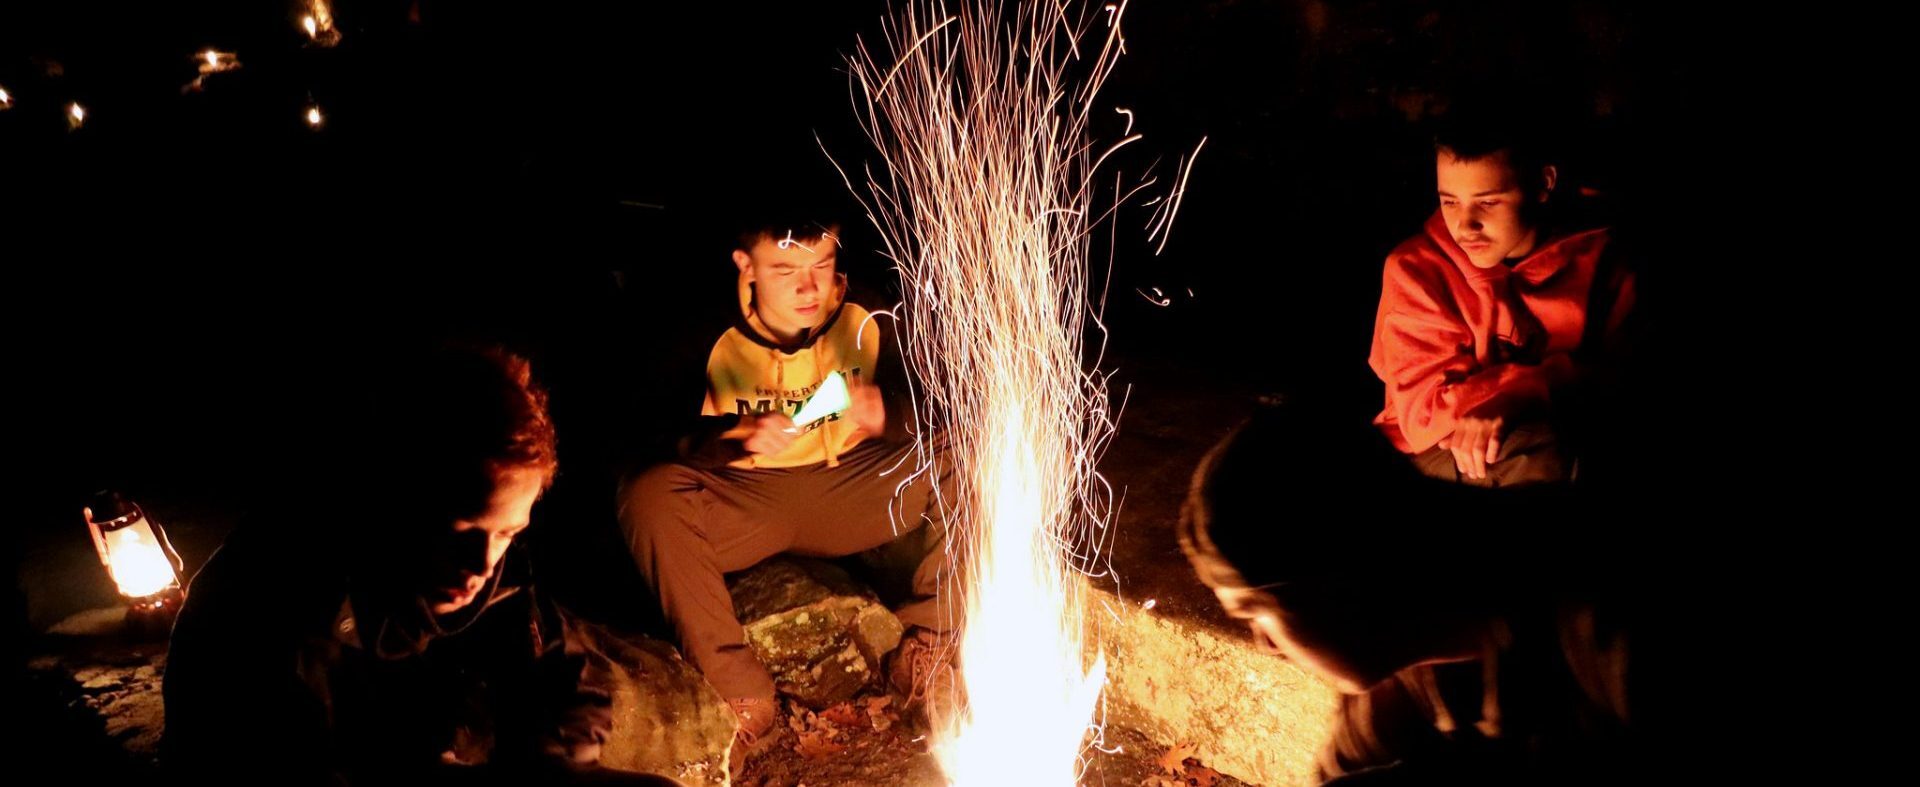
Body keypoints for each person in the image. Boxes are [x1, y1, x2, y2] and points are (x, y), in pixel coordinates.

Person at [164, 345, 679, 785]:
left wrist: (551, 760)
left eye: (507, 532)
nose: (481, 564)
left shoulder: (493, 571)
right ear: (397, 498)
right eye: (461, 530)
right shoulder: (268, 610)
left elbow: (558, 678)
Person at [617, 209, 949, 742]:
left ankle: (931, 643)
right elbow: (639, 435)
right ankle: (740, 693)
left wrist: (889, 413)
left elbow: (944, 404)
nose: (809, 288)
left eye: (822, 264)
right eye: (785, 271)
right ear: (745, 266)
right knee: (649, 495)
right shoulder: (698, 331)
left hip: (848, 488)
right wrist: (731, 437)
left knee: (968, 457)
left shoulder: (873, 315)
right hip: (744, 499)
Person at [1368, 108, 1636, 487]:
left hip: (1556, 421)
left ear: (1544, 184)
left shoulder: (1601, 254)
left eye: (1488, 202)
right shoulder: (1416, 270)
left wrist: (1525, 394)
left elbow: (1620, 373)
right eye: (1450, 202)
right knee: (1537, 452)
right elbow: (1426, 417)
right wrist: (1546, 385)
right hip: (1436, 448)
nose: (1465, 225)